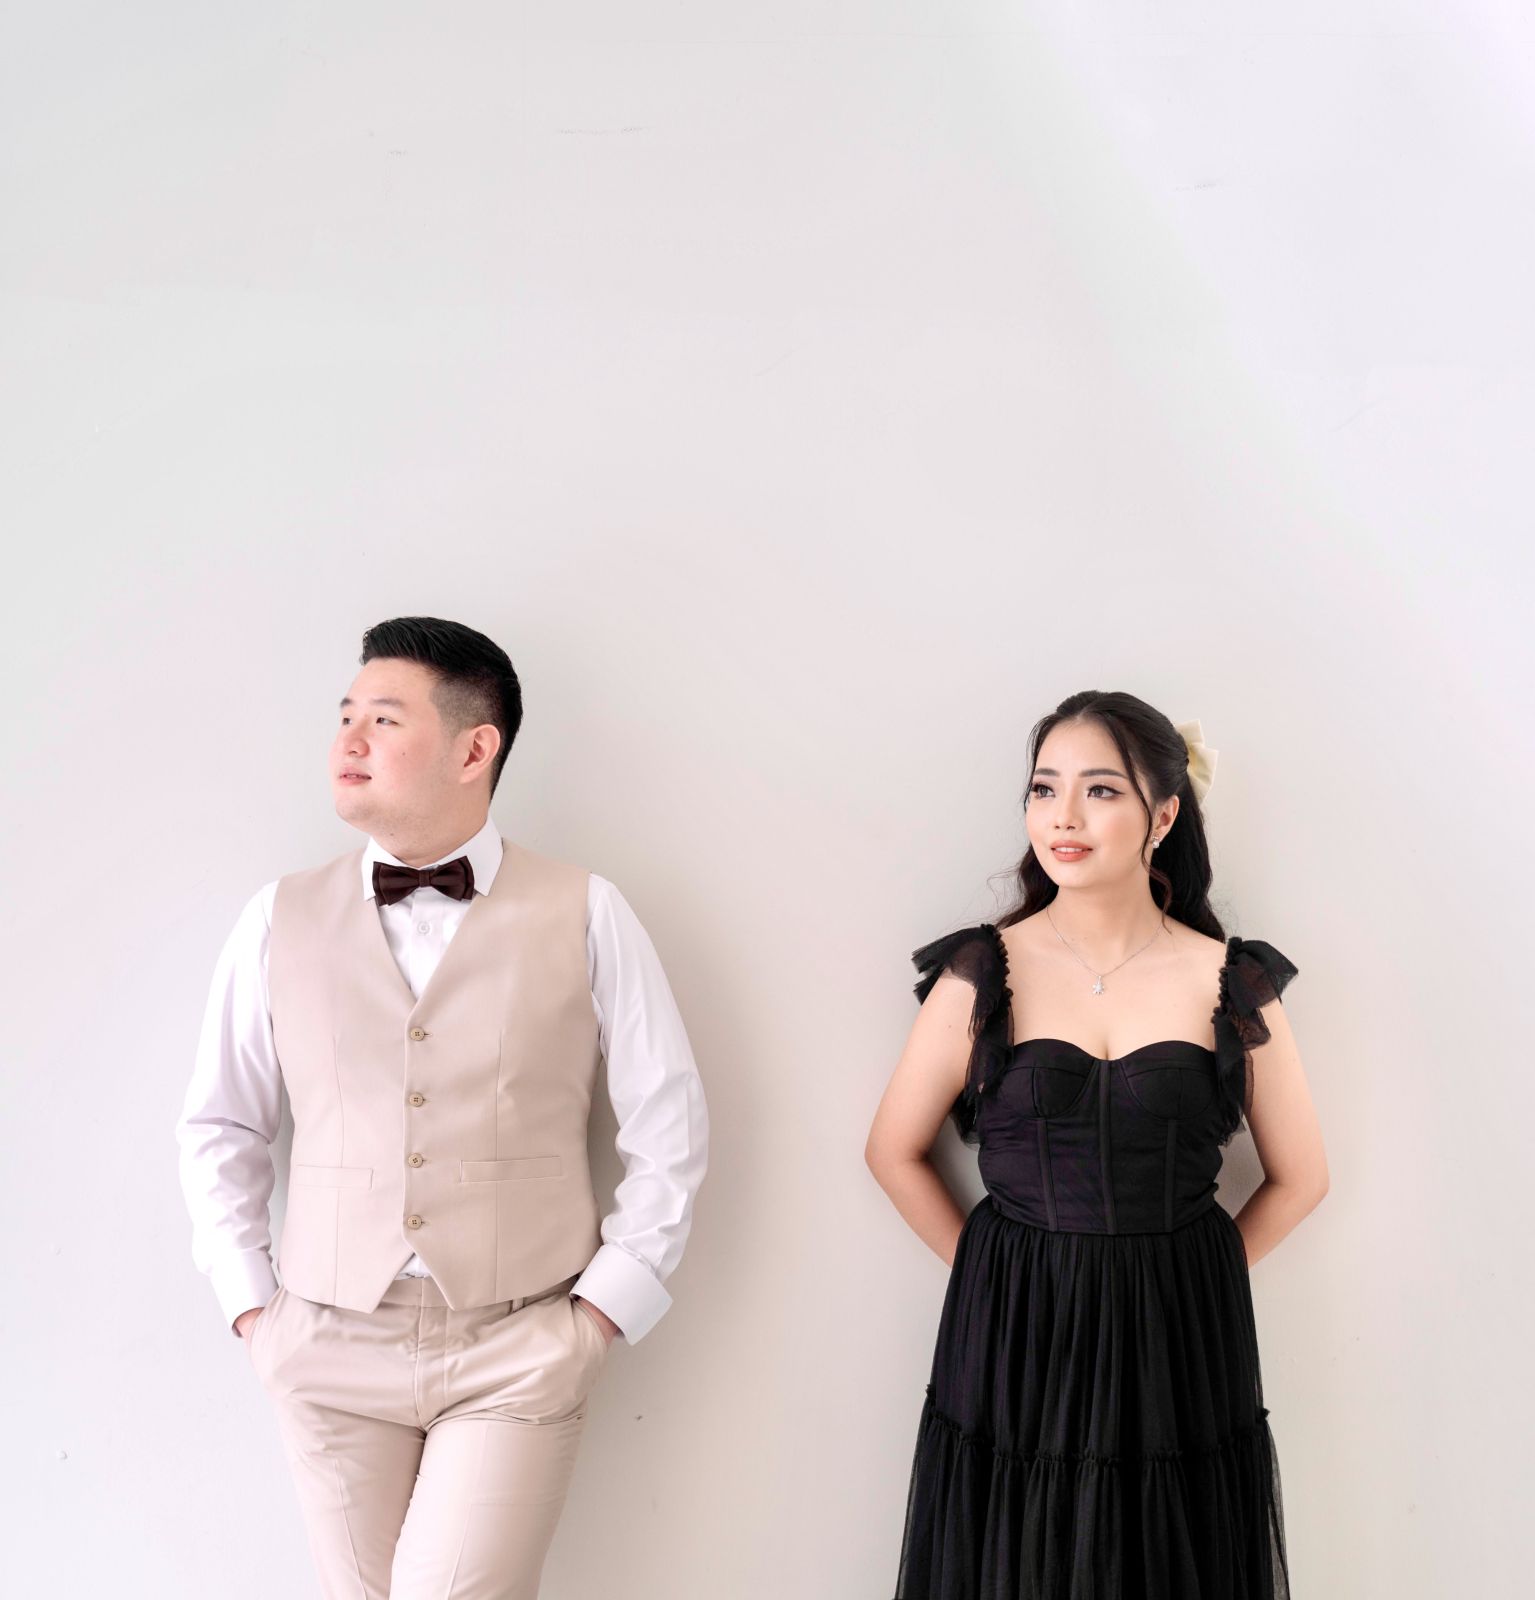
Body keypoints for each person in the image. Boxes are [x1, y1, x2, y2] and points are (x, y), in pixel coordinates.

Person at [175, 615, 709, 1600]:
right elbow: (222, 1122)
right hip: (327, 1339)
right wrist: (252, 1307)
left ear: (474, 749)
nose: (348, 739)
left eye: (383, 719)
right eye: (345, 715)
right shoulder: (276, 917)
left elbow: (667, 1119)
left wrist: (603, 1311)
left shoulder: (587, 909)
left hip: (518, 1340)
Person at [865, 691, 1327, 1599]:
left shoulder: (1228, 978)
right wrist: (1002, 1278)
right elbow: (892, 1150)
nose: (1062, 817)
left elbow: (1301, 1177)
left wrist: (1184, 1280)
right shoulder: (983, 972)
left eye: (1100, 790)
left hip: (1178, 1338)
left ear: (1163, 816)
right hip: (1013, 1334)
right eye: (1044, 789)